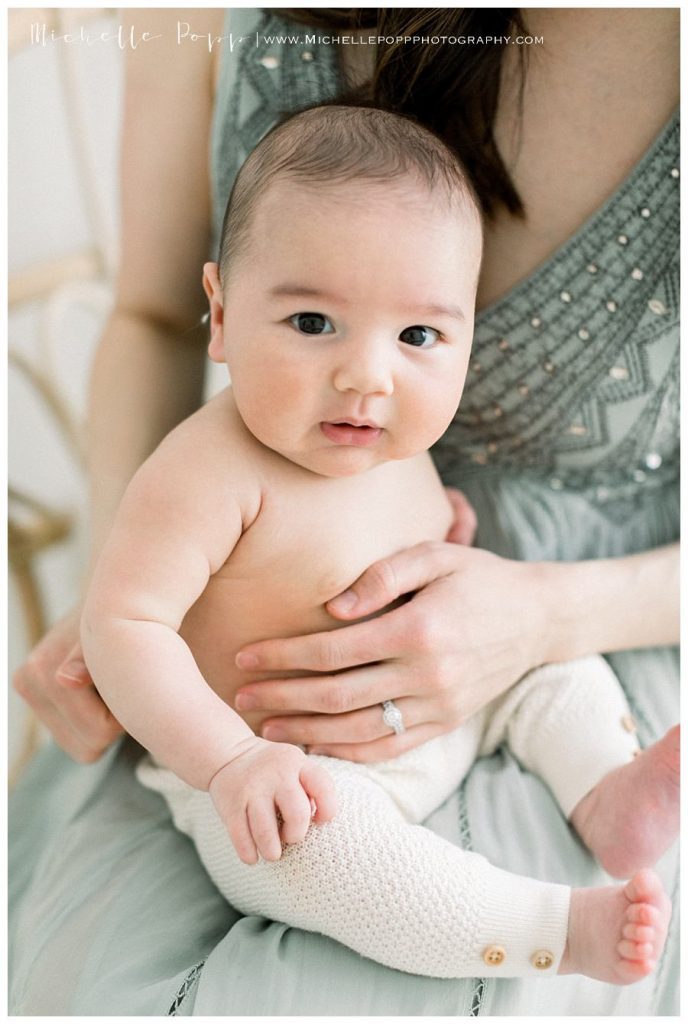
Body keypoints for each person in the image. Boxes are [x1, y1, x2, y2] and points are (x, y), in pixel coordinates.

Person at [10, 8, 679, 1016]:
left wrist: (455, 537)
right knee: (329, 865)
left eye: (417, 333)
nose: (365, 375)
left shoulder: (389, 440)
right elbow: (125, 622)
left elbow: (420, 536)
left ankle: (605, 782)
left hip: (519, 642)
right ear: (224, 313)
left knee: (558, 674)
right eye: (312, 321)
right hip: (291, 765)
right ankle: (547, 927)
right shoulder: (206, 469)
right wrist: (234, 761)